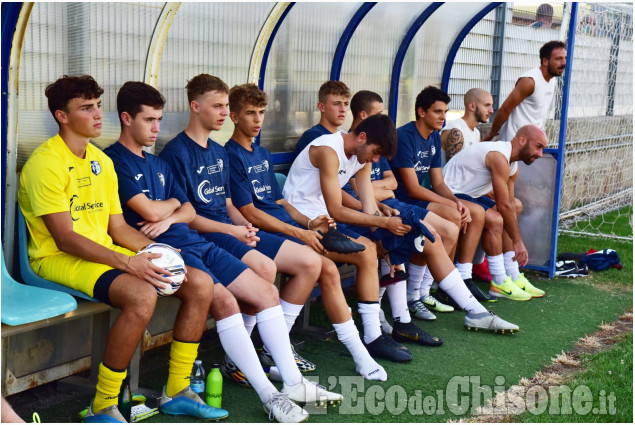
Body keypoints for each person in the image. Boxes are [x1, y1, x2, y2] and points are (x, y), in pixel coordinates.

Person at [104, 81, 339, 421]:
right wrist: (171, 212)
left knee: (266, 291)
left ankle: (293, 382)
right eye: (149, 120)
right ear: (127, 119)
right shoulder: (119, 160)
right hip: (170, 250)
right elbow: (156, 213)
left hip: (196, 241)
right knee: (228, 300)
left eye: (159, 120)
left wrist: (171, 211)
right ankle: (270, 396)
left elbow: (183, 209)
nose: (156, 128)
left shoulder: (158, 163)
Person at [17, 75, 227, 423]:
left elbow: (117, 228)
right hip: (56, 259)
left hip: (102, 252)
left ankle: (177, 391)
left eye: (98, 105)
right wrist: (130, 264)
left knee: (200, 283)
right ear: (62, 116)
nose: (98, 115)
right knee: (142, 294)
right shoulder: (45, 163)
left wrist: (159, 255)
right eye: (86, 108)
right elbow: (65, 239)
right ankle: (103, 405)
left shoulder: (101, 161)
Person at [225, 83, 409, 370]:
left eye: (262, 112)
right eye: (251, 113)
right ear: (234, 116)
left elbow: (278, 202)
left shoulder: (261, 153)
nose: (259, 119)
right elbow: (249, 211)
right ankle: (279, 347)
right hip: (269, 229)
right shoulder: (233, 154)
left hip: (303, 221)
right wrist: (302, 229)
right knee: (330, 264)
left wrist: (309, 223)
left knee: (365, 252)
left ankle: (362, 346)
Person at [284, 113, 519, 335]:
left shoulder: (363, 156)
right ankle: (378, 325)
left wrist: (384, 229)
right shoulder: (328, 150)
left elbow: (368, 206)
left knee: (422, 236)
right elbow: (337, 209)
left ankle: (471, 311)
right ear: (363, 137)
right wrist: (384, 224)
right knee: (375, 247)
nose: (375, 161)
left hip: (329, 220)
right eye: (375, 153)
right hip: (304, 220)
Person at [159, 74, 321, 378]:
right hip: (202, 236)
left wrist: (244, 227)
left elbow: (229, 204)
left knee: (269, 268)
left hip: (226, 230)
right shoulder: (175, 152)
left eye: (225, 106)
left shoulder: (219, 151)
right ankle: (241, 355)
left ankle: (242, 354)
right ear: (195, 106)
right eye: (218, 106)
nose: (223, 112)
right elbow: (188, 214)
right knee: (266, 269)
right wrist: (234, 230)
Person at [390, 86, 495, 306]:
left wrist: (457, 202)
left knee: (457, 213)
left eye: (445, 112)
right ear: (421, 112)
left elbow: (438, 182)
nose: (443, 117)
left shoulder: (434, 139)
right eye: (438, 111)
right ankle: (419, 292)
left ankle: (426, 290)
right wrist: (451, 204)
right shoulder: (405, 136)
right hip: (400, 201)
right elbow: (412, 188)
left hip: (418, 199)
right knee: (449, 219)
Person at [443, 124, 548, 300]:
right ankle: (494, 280)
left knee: (516, 207)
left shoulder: (512, 164)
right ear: (522, 140)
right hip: (448, 193)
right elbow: (503, 205)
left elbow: (509, 205)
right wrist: (518, 242)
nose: (540, 154)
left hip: (470, 195)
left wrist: (516, 238)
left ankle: (513, 275)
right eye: (538, 147)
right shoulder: (499, 156)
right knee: (496, 219)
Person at [483, 41, 566, 142]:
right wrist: (492, 133)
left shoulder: (553, 80)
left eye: (565, 58)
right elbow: (505, 109)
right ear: (545, 61)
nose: (564, 63)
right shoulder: (529, 81)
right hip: (513, 142)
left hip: (532, 143)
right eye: (558, 59)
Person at [291, 80, 350, 161]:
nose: (343, 109)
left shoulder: (341, 136)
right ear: (321, 107)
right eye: (336, 104)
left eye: (346, 104)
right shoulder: (313, 137)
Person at [440, 88, 493, 164]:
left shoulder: (476, 133)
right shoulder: (455, 132)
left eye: (491, 105)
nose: (491, 110)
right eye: (487, 105)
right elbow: (453, 171)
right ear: (472, 106)